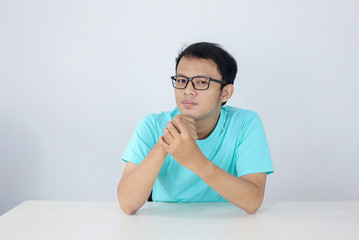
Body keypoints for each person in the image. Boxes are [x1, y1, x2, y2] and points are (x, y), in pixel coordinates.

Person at [117, 42, 274, 215]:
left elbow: (253, 201)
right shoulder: (152, 125)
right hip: (164, 223)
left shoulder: (246, 123)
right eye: (182, 80)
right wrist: (166, 143)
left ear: (226, 93)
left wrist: (194, 160)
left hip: (225, 223)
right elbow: (127, 204)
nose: (188, 90)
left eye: (201, 82)